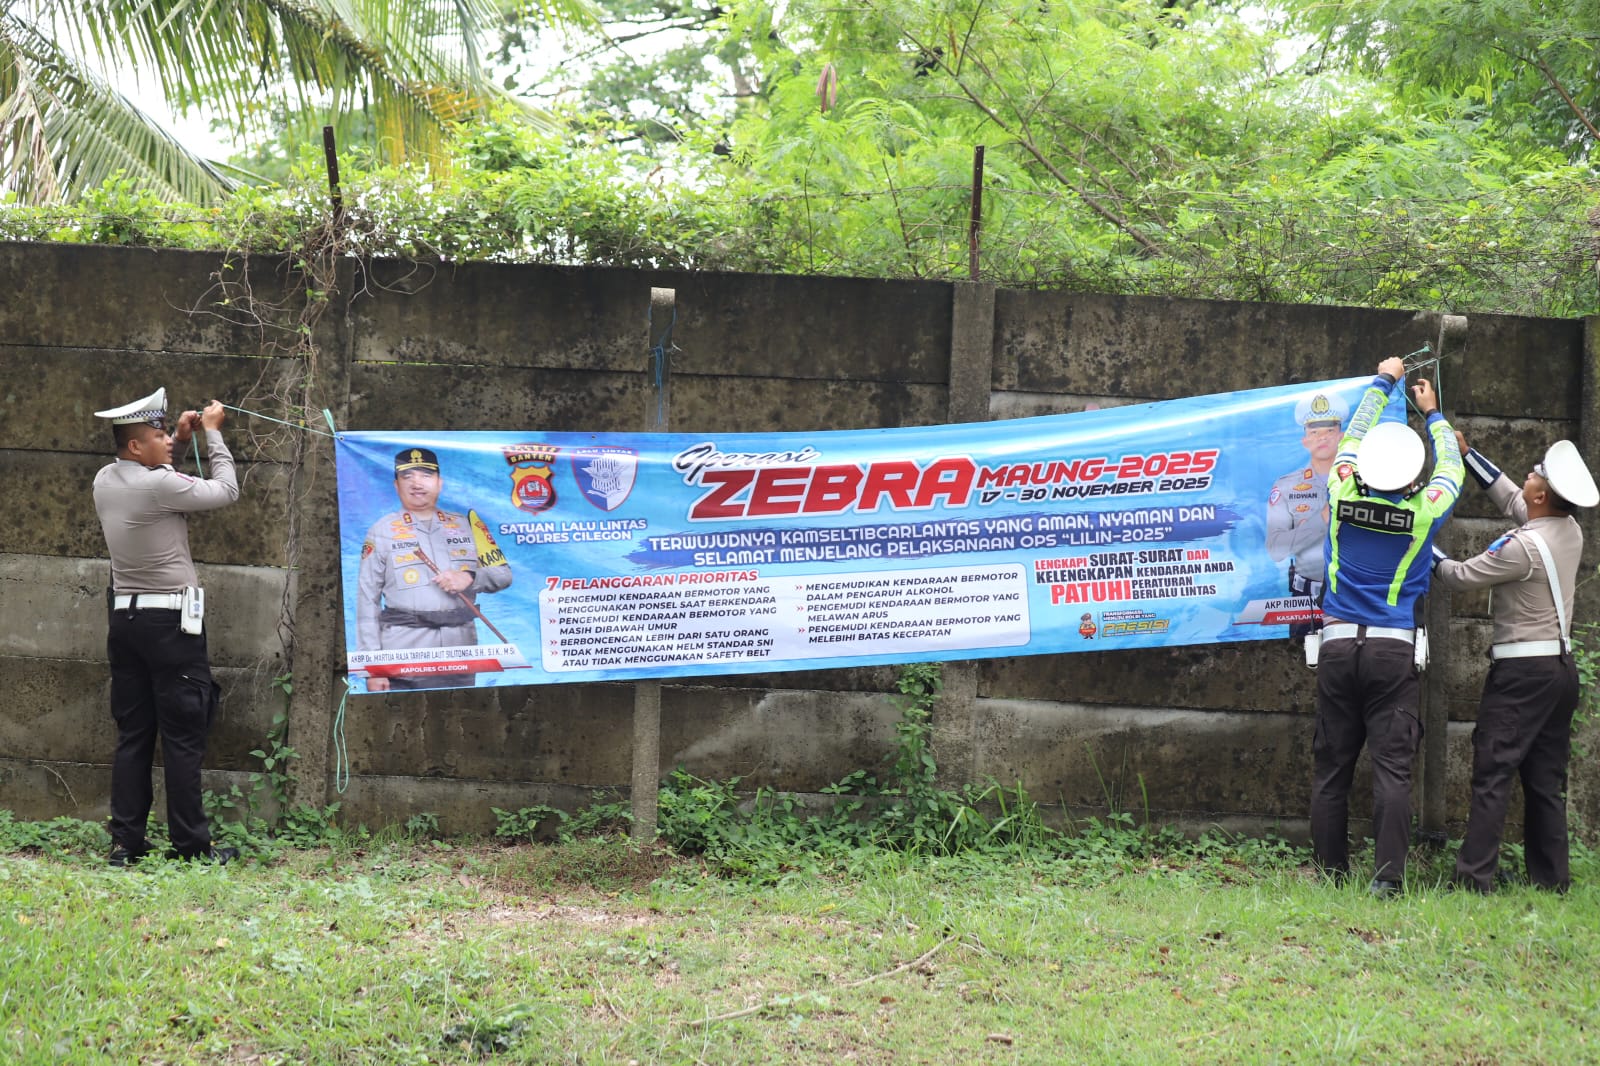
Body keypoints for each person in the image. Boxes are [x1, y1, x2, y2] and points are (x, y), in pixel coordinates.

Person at [1309, 356, 1463, 897]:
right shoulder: (1425, 511)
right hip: (1392, 653)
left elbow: (1351, 436)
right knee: (1392, 771)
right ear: (1412, 477)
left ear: (1366, 467)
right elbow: (1452, 468)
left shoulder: (1341, 490)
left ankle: (1330, 875)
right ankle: (1387, 881)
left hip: (1336, 648)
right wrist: (1433, 413)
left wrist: (1383, 381)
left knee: (1332, 767)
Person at [1432, 436, 1597, 894]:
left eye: (1537, 472)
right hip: (1560, 671)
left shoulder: (1521, 548)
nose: (1530, 471)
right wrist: (1467, 454)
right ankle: (1551, 880)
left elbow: (1457, 575)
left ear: (1541, 496)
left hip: (1522, 675)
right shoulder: (1568, 530)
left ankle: (1474, 878)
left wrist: (1417, 539)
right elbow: (1509, 497)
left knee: (1493, 771)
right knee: (1545, 780)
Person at [92, 387, 240, 866]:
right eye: (158, 437)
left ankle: (126, 844)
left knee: (134, 735)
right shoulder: (159, 486)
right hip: (170, 624)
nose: (167, 442)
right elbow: (226, 491)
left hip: (125, 620)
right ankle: (193, 846)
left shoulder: (105, 479)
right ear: (137, 446)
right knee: (182, 736)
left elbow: (161, 476)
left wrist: (179, 436)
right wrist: (212, 435)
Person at [356, 447, 513, 691]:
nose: (417, 483)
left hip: (460, 650)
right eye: (408, 476)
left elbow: (503, 575)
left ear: (440, 483)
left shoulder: (467, 526)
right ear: (396, 485)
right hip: (403, 650)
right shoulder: (381, 531)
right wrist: (373, 668)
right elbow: (367, 600)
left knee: (464, 711)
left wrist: (470, 577)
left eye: (426, 475)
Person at [1267, 391, 1349, 637]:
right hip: (1306, 601)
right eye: (1314, 432)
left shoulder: (1362, 482)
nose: (1322, 437)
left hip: (1353, 594)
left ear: (1341, 436)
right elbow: (1276, 549)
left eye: (1329, 431)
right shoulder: (1286, 487)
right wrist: (1321, 520)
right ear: (1305, 440)